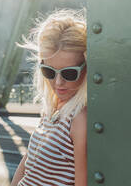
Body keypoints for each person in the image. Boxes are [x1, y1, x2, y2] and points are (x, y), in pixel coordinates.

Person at [11, 10, 87, 186]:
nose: (58, 82)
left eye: (69, 73)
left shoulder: (78, 120)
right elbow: (29, 162)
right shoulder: (54, 108)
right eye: (49, 72)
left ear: (86, 68)